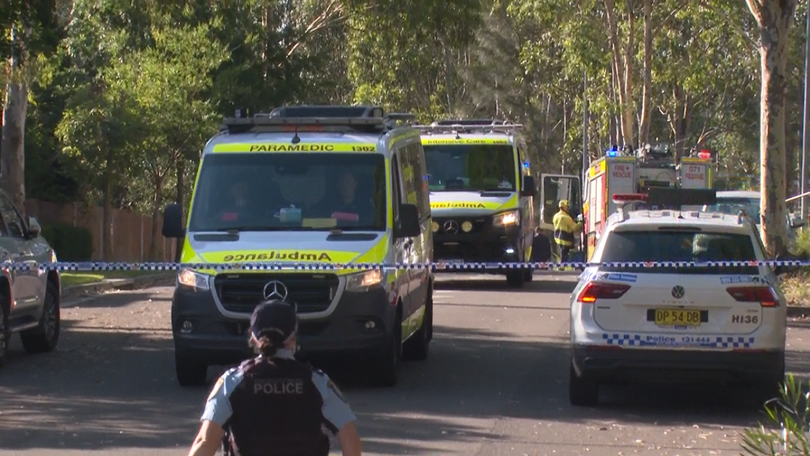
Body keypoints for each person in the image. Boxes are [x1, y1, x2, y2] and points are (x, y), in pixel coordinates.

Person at [187, 299, 363, 456]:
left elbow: (204, 443)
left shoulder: (232, 383)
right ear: (293, 339)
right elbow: (351, 441)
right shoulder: (317, 383)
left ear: (254, 338)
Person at [552, 199, 582, 264]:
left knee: (561, 253)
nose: (568, 208)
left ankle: (561, 265)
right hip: (565, 239)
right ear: (563, 207)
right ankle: (563, 265)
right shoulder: (566, 217)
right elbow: (575, 228)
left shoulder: (555, 216)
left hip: (557, 238)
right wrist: (580, 223)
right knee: (565, 254)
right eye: (567, 207)